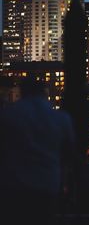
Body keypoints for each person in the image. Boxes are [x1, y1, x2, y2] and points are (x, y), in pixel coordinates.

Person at [0, 78, 75, 225]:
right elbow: (69, 152)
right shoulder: (61, 118)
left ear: (22, 92)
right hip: (48, 183)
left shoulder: (8, 115)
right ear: (44, 93)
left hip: (14, 184)